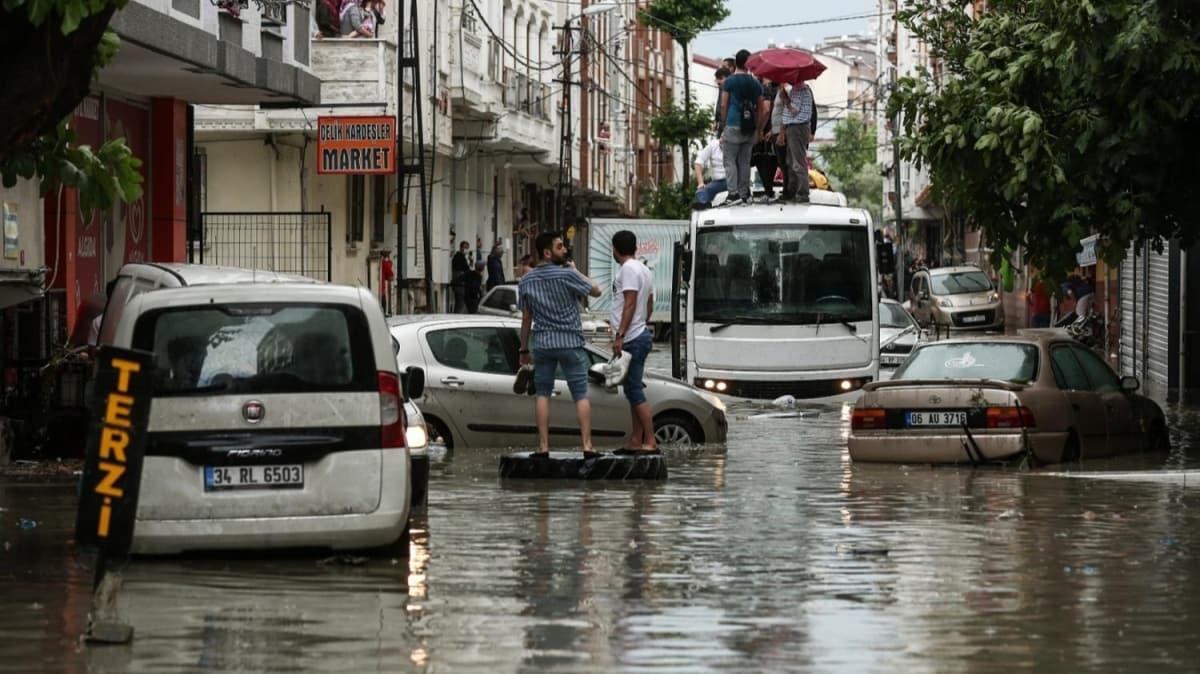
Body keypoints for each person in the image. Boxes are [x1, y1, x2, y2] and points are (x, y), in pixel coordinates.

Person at [518, 231, 603, 456]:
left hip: (543, 344)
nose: (565, 250)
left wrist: (523, 348)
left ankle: (543, 447)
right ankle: (587, 445)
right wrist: (576, 270)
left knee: (543, 393)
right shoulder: (568, 274)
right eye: (559, 247)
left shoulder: (527, 280)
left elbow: (526, 317)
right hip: (570, 342)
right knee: (580, 394)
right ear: (547, 253)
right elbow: (596, 290)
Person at [609, 230, 657, 454]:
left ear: (615, 249)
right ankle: (636, 439)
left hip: (632, 337)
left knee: (635, 391)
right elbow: (649, 302)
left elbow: (630, 302)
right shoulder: (643, 269)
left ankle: (650, 440)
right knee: (631, 390)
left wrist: (621, 334)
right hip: (639, 334)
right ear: (635, 247)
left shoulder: (627, 269)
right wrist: (643, 322)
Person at [718, 49, 768, 206]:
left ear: (736, 62)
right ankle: (744, 194)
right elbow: (763, 108)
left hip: (732, 124)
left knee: (730, 161)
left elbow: (724, 104)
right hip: (750, 127)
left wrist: (724, 124)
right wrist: (759, 129)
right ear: (749, 63)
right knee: (744, 162)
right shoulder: (755, 83)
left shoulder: (729, 81)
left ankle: (733, 194)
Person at [779, 79, 815, 203]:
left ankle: (802, 192)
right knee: (791, 161)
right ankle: (793, 190)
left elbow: (794, 110)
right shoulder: (796, 89)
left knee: (798, 162)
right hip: (793, 128)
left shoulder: (800, 90)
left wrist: (785, 99)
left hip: (797, 128)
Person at [752, 78, 780, 199]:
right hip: (774, 128)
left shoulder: (764, 88)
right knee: (772, 159)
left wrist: (760, 129)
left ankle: (767, 189)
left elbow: (766, 109)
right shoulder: (777, 89)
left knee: (760, 157)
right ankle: (768, 189)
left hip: (766, 128)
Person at [693, 134, 726, 208]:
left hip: (732, 181)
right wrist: (701, 183)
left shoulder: (736, 146)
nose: (721, 140)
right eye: (721, 137)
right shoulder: (713, 145)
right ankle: (704, 206)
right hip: (717, 182)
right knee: (701, 192)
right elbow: (698, 163)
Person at [450, 240, 471, 313]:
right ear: (461, 248)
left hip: (459, 284)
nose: (466, 250)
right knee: (460, 303)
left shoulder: (462, 257)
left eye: (467, 248)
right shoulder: (459, 257)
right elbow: (464, 270)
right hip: (459, 284)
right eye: (465, 247)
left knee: (459, 303)